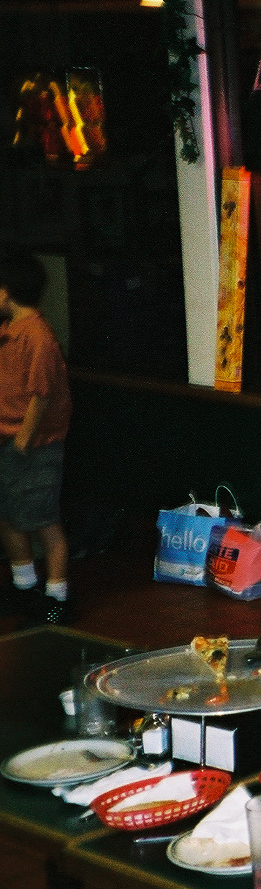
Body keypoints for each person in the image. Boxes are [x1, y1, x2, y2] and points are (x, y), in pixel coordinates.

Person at [0, 250, 72, 623]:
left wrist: (22, 443)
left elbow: (41, 396)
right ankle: (24, 585)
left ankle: (57, 596)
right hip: (7, 440)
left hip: (33, 446)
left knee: (43, 518)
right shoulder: (8, 331)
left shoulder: (38, 336)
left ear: (5, 291)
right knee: (9, 513)